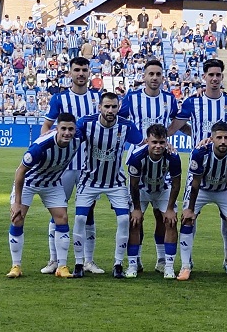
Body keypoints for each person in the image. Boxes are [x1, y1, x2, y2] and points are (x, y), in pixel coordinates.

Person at [167, 58, 227, 273]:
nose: (214, 78)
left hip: (224, 174)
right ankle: (187, 264)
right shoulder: (192, 103)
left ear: (222, 77)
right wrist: (194, 135)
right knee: (188, 216)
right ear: (204, 77)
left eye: (218, 75)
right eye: (211, 75)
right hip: (198, 173)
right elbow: (174, 127)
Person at [40, 57, 104, 275]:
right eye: (76, 70)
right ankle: (54, 259)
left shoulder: (98, 98)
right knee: (57, 210)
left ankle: (88, 260)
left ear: (89, 73)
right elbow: (47, 126)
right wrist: (47, 156)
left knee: (89, 213)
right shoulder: (60, 98)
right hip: (63, 167)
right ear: (70, 73)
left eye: (84, 70)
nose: (81, 74)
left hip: (88, 167)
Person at [118, 60, 179, 273]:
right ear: (144, 76)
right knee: (136, 217)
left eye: (158, 74)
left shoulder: (169, 99)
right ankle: (136, 261)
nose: (154, 77)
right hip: (138, 160)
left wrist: (166, 138)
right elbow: (119, 120)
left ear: (163, 77)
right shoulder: (132, 98)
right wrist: (136, 139)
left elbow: (176, 121)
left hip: (162, 160)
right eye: (150, 74)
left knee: (161, 215)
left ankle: (162, 260)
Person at [74, 92, 143, 278]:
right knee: (80, 219)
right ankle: (79, 263)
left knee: (123, 220)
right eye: (107, 106)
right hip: (89, 180)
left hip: (116, 181)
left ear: (118, 107)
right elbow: (71, 139)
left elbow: (144, 143)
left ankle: (118, 264)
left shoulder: (126, 126)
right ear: (100, 107)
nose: (110, 110)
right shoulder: (86, 123)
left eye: (114, 106)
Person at [6, 112, 80, 279]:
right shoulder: (40, 147)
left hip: (52, 183)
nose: (67, 133)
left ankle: (61, 267)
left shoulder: (78, 137)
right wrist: (17, 202)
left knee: (62, 218)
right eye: (63, 129)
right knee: (17, 218)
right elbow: (20, 172)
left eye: (71, 129)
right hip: (29, 183)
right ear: (56, 129)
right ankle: (15, 266)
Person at [177, 122, 227, 282]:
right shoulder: (200, 153)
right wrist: (190, 209)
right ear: (212, 139)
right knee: (187, 219)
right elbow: (195, 183)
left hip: (223, 190)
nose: (223, 141)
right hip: (201, 189)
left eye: (226, 138)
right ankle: (185, 265)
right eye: (219, 137)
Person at [125, 124, 182, 279]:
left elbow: (176, 184)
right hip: (142, 190)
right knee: (134, 221)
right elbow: (134, 185)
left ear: (166, 141)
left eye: (162, 142)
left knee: (170, 221)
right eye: (154, 142)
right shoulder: (137, 157)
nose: (158, 146)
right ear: (148, 141)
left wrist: (170, 208)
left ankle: (167, 265)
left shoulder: (173, 157)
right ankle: (133, 264)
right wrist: (136, 208)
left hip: (163, 189)